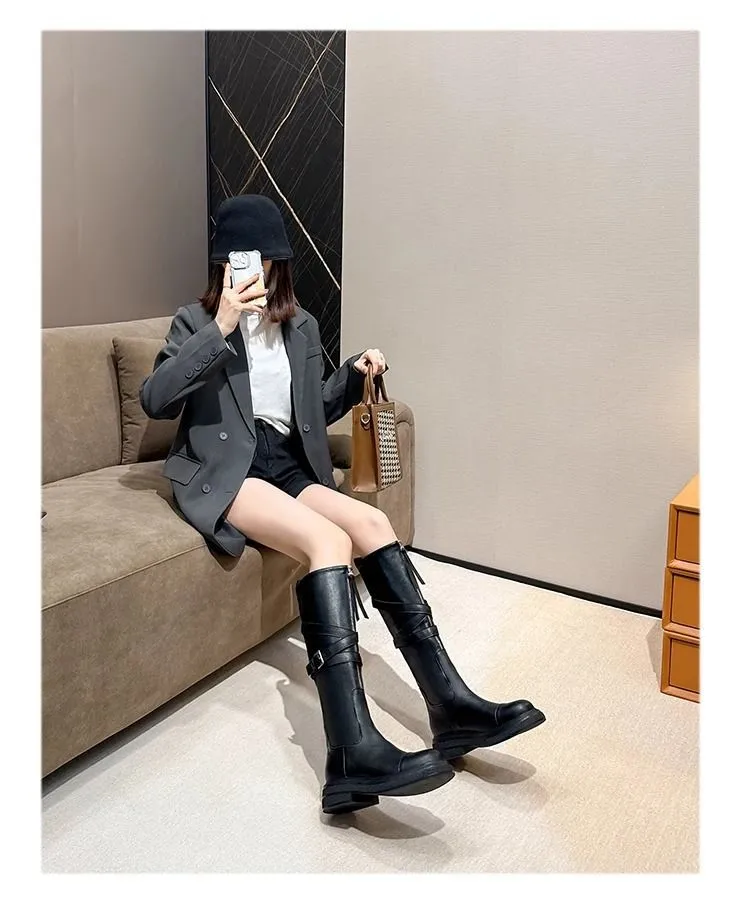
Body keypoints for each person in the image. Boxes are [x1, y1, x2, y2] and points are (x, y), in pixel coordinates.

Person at [140, 194, 545, 815]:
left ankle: (451, 706)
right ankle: (350, 750)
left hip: (284, 462)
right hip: (225, 470)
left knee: (372, 522)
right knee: (329, 541)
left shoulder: (300, 327)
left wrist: (353, 374)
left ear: (278, 262)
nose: (247, 270)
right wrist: (220, 327)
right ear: (221, 263)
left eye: (260, 258)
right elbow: (156, 399)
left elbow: (314, 411)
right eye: (234, 258)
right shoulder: (194, 322)